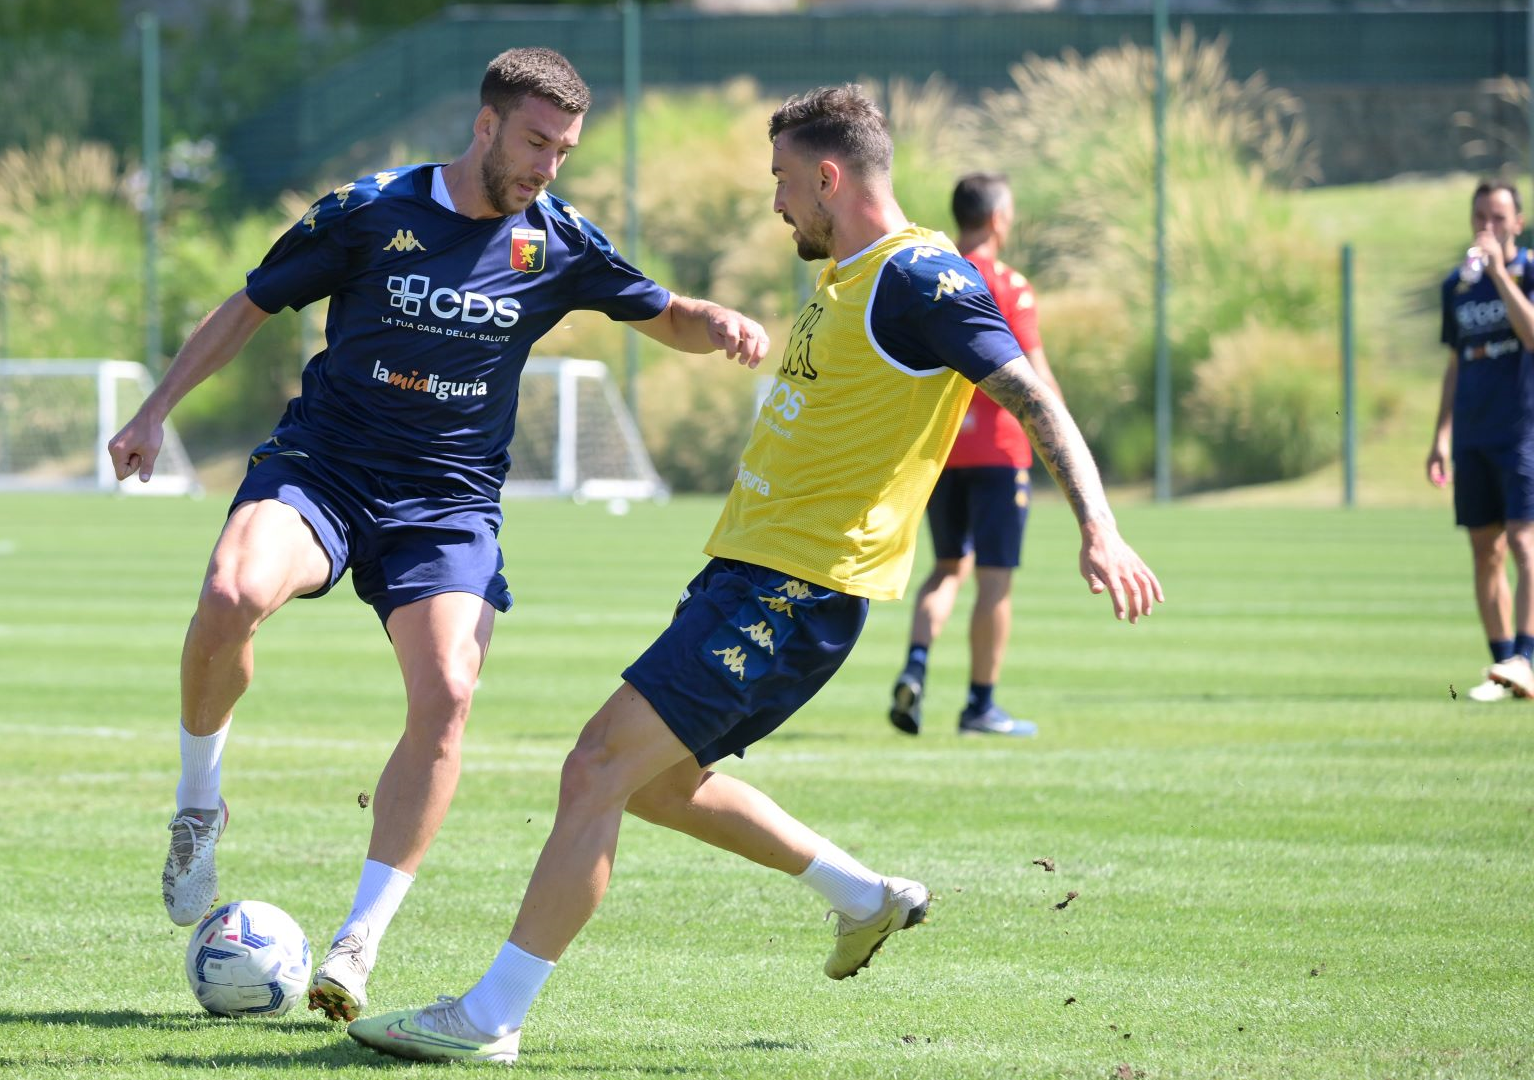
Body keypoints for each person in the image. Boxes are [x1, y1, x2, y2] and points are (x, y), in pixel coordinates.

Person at [347, 84, 1163, 1065]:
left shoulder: (920, 280)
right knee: (656, 785)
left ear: (829, 177)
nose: (775, 201)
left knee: (596, 767)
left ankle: (491, 1017)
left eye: (783, 180)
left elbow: (1030, 392)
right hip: (751, 574)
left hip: (795, 588)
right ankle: (862, 897)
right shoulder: (851, 274)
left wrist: (1099, 528)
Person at [105, 46, 769, 1024]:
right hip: (325, 469)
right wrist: (154, 409)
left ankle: (359, 941)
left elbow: (662, 312)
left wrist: (712, 319)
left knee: (449, 694)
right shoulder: (369, 211)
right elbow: (249, 306)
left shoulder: (557, 240)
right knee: (231, 595)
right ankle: (200, 802)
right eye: (536, 143)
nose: (548, 166)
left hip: (447, 505)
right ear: (485, 124)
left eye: (565, 150)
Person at [889, 172, 1063, 738]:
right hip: (999, 454)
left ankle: (916, 666)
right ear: (996, 219)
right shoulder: (1009, 285)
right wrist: (1066, 442)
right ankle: (980, 705)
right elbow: (1035, 376)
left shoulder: (932, 276)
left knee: (946, 569)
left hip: (941, 452)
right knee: (993, 581)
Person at [1427, 179, 1534, 701]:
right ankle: (1503, 665)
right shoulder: (1458, 285)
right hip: (1473, 434)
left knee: (1524, 541)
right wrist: (1441, 436)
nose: (1487, 226)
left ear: (1518, 222)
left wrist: (1498, 274)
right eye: (1479, 217)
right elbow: (1456, 363)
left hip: (1522, 432)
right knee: (1483, 548)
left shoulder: (1528, 272)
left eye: (1497, 217)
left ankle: (1527, 658)